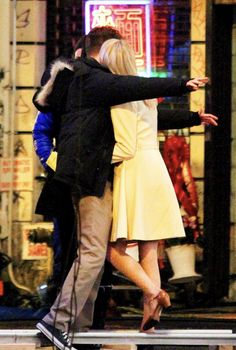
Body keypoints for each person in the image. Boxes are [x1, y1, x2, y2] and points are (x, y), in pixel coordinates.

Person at [33, 25, 214, 350]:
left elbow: (148, 110)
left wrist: (191, 115)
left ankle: (81, 324)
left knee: (100, 252)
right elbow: (133, 100)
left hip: (106, 175)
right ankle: (64, 321)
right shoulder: (91, 78)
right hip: (95, 175)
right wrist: (182, 85)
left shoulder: (108, 89)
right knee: (101, 252)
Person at [97, 38, 218, 332]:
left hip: (133, 168)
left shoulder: (119, 96)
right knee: (150, 246)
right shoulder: (144, 93)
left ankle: (152, 291)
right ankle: (151, 319)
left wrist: (93, 160)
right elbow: (159, 120)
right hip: (154, 167)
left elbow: (124, 147)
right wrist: (193, 117)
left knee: (112, 248)